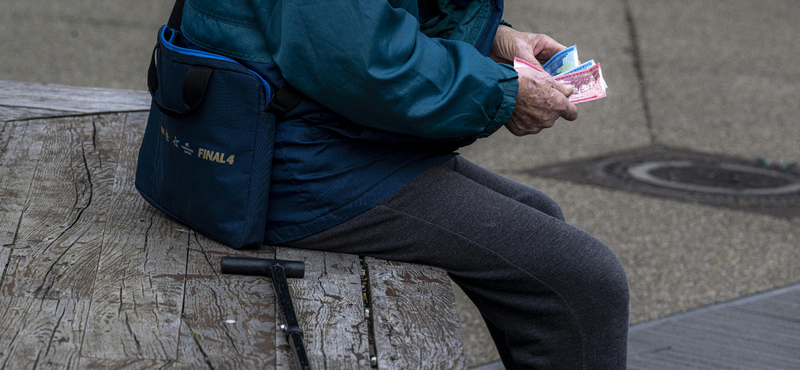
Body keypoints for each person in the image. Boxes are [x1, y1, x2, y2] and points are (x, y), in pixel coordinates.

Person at [178, 0, 629, 368]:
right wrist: (503, 92)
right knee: (586, 281)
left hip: (307, 133)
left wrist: (492, 38)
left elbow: (374, 19)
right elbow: (364, 63)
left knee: (541, 219)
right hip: (273, 165)